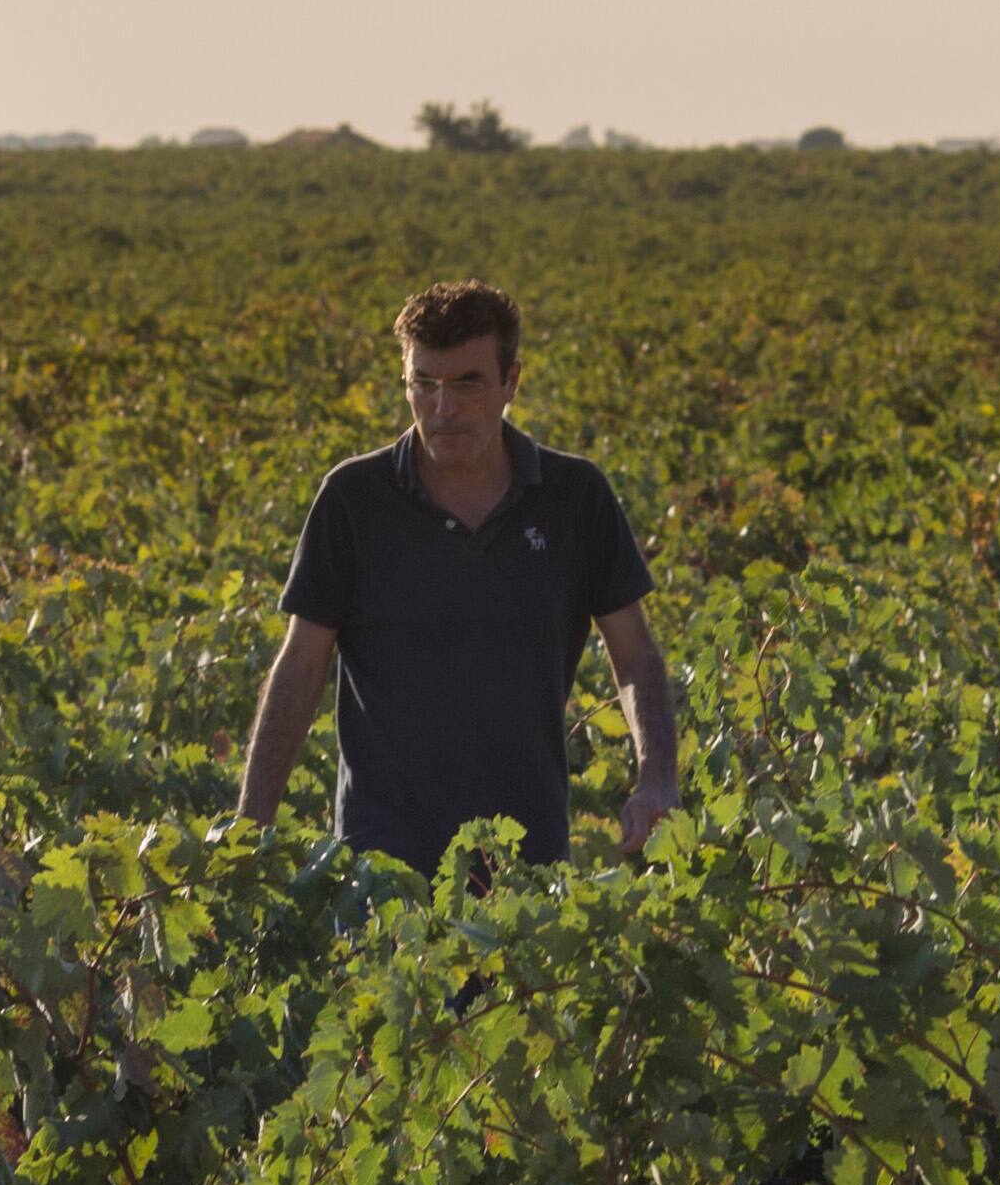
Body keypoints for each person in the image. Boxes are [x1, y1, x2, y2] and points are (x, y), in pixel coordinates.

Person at [236, 279, 678, 870]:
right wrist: (250, 825)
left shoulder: (576, 499)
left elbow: (636, 657)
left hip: (527, 869)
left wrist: (656, 779)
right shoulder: (354, 499)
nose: (442, 409)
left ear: (510, 382)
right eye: (424, 384)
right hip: (380, 873)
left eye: (466, 384)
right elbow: (301, 664)